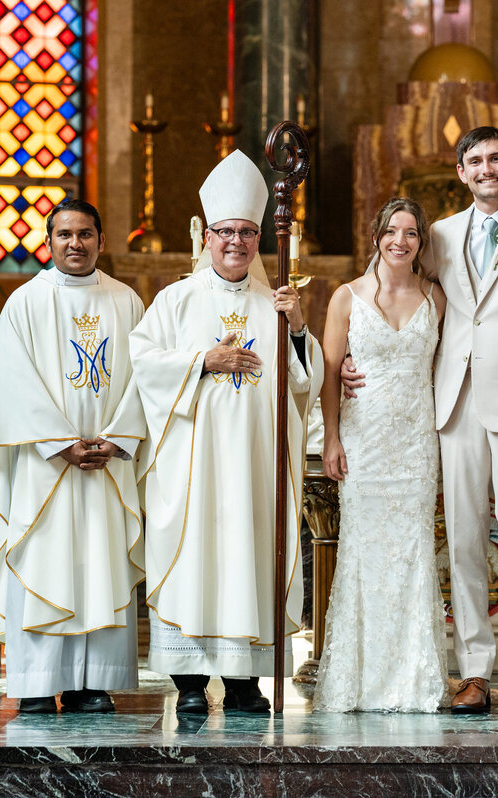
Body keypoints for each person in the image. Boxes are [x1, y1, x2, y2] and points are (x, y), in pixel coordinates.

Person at [348, 127, 498, 714]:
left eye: (496, 158)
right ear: (462, 172)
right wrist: (354, 351)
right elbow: (399, 293)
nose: (487, 168)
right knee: (465, 540)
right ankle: (474, 670)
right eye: (476, 161)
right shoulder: (440, 235)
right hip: (452, 404)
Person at [129, 150, 323, 715]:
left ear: (258, 238)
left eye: (246, 233)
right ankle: (189, 681)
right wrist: (201, 362)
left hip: (256, 468)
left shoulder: (277, 305)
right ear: (206, 236)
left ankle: (244, 681)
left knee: (250, 558)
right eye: (225, 232)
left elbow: (302, 384)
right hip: (193, 466)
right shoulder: (176, 300)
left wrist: (299, 331)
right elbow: (143, 362)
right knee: (196, 557)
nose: (235, 242)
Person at [0, 199, 145, 714]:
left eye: (86, 234)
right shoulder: (24, 303)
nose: (76, 243)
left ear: (101, 240)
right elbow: (12, 383)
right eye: (65, 234)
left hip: (107, 464)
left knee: (98, 566)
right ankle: (34, 683)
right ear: (49, 242)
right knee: (44, 561)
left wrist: (119, 438)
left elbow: (147, 378)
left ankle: (90, 683)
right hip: (43, 467)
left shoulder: (128, 302)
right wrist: (58, 443)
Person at [314, 197, 449, 713]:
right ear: (376, 236)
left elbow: (451, 365)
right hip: (364, 443)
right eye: (392, 231)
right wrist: (331, 438)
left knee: (414, 552)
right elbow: (330, 372)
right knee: (363, 554)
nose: (401, 241)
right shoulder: (347, 297)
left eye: (411, 233)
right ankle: (358, 681)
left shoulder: (435, 297)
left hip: (416, 445)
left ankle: (414, 680)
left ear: (421, 243)